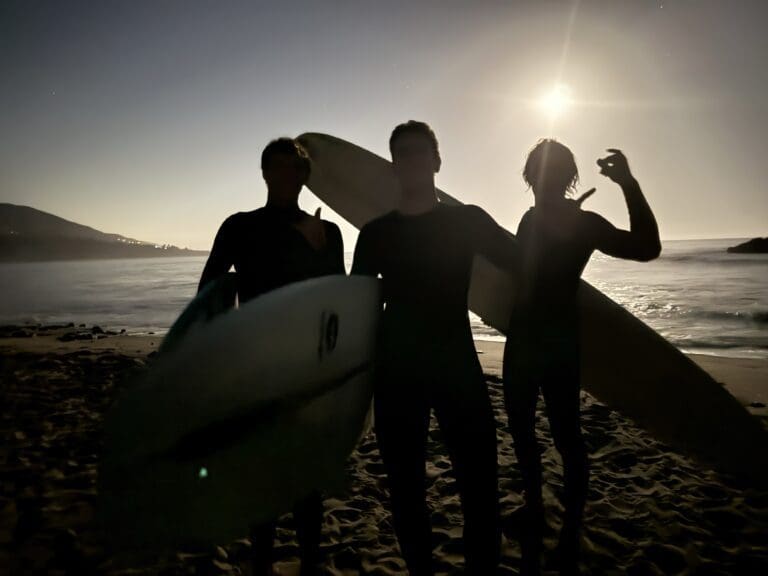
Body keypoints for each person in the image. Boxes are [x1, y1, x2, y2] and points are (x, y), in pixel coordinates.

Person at [351, 120, 519, 575]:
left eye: (419, 151)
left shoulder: (467, 220)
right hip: (396, 371)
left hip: (455, 364)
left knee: (480, 485)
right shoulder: (376, 233)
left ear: (437, 161)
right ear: (393, 166)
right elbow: (358, 304)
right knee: (405, 491)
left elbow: (520, 262)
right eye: (402, 153)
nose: (411, 160)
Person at [503, 140, 660, 575]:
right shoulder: (534, 219)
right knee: (527, 430)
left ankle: (570, 528)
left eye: (553, 172)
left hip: (550, 342)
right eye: (541, 171)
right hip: (533, 339)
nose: (544, 179)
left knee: (564, 436)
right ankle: (538, 509)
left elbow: (647, 247)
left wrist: (628, 184)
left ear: (565, 178)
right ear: (531, 177)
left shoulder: (581, 222)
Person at [198, 137, 345, 576]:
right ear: (264, 173)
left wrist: (318, 251)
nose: (286, 176)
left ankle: (309, 560)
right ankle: (261, 563)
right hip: (255, 367)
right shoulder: (239, 226)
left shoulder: (328, 232)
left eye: (294, 169)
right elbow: (209, 289)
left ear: (304, 176)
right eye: (277, 167)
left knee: (305, 477)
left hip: (306, 368)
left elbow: (335, 303)